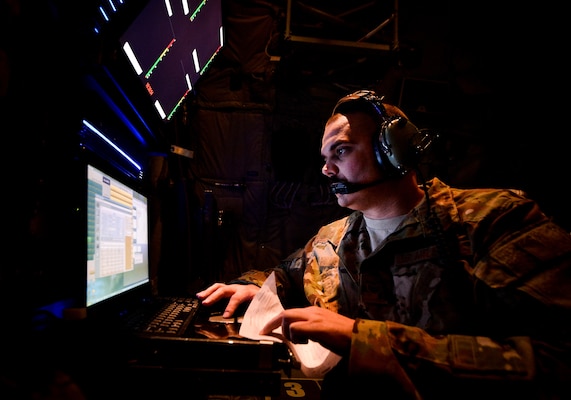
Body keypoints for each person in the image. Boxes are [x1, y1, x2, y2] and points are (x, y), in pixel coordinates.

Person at [196, 89, 571, 399]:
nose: (327, 170)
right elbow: (282, 273)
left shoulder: (496, 220)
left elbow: (557, 358)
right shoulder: (331, 238)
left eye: (341, 152)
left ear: (395, 150)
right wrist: (248, 287)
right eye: (324, 159)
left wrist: (368, 341)